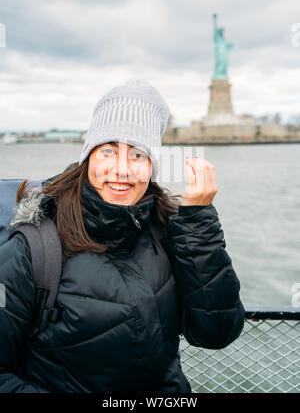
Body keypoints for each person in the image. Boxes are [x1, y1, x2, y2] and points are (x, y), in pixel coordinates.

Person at [0, 78, 245, 393]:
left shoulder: (169, 229)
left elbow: (217, 332)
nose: (121, 169)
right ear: (88, 157)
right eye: (108, 151)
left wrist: (198, 222)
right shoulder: (34, 246)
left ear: (152, 165)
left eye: (138, 155)